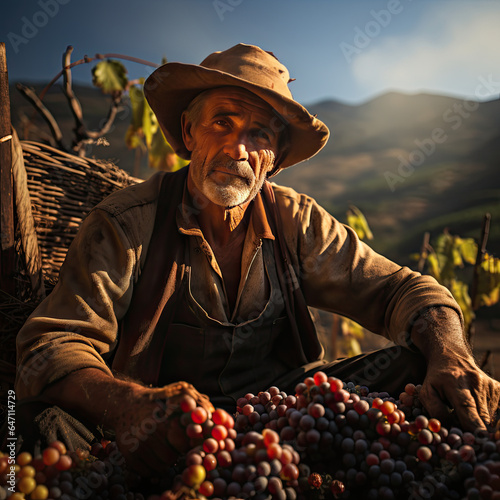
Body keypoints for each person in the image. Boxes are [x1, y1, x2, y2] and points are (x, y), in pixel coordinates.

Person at [14, 44, 499, 475]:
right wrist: (130, 406)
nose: (237, 148)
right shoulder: (126, 224)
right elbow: (52, 343)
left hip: (281, 416)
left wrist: (452, 356)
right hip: (158, 428)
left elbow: (403, 291)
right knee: (42, 424)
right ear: (189, 131)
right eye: (222, 122)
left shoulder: (297, 222)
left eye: (260, 134)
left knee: (419, 367)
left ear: (277, 156)